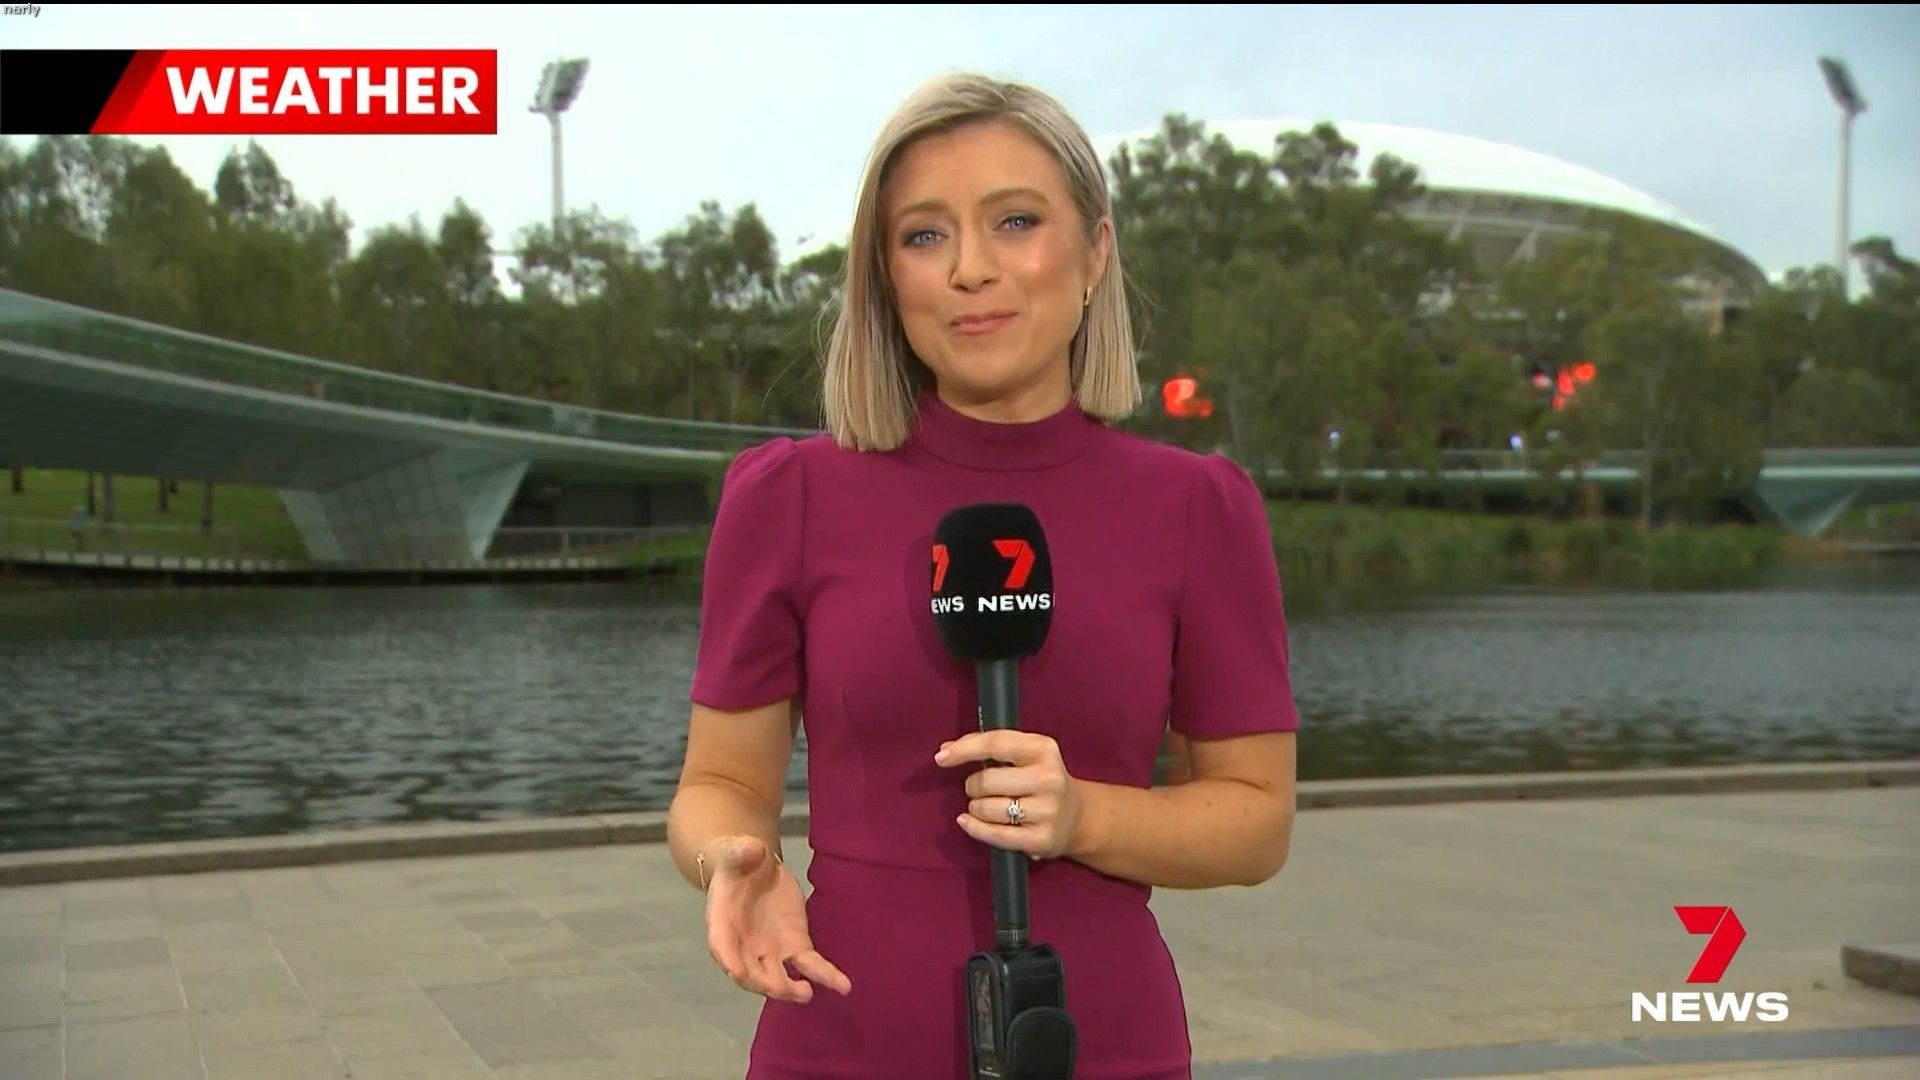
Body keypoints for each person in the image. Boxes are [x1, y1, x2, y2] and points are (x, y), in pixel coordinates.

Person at [666, 71, 1300, 1080]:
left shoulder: (1196, 507)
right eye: (924, 235)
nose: (970, 268)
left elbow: (1256, 819)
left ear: (1094, 252)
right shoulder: (788, 496)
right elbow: (720, 785)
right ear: (885, 276)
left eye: (1015, 221)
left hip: (1104, 1044)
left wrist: (1085, 815)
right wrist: (731, 858)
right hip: (841, 1041)